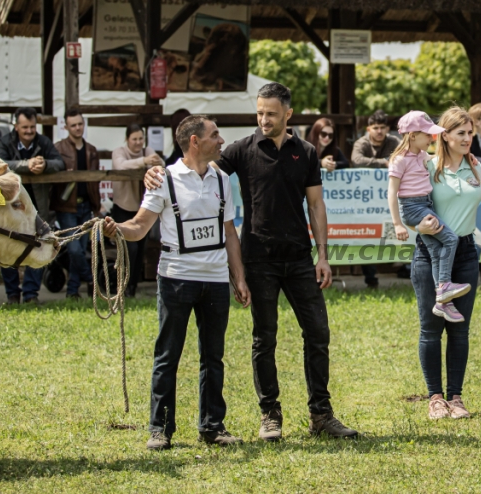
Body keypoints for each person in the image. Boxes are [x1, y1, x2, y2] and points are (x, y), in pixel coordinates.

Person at [144, 82, 359, 442]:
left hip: (300, 258)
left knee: (318, 333)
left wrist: (323, 255)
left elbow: (316, 205)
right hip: (258, 258)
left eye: (271, 114)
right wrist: (155, 171)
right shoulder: (241, 150)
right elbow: (193, 162)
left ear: (288, 114)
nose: (263, 119)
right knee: (265, 338)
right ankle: (269, 415)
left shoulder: (305, 152)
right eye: (259, 112)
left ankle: (321, 414)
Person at [103, 115, 250, 451]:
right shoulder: (165, 179)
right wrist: (116, 229)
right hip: (176, 277)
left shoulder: (223, 179)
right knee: (168, 355)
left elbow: (229, 232)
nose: (221, 140)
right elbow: (140, 227)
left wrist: (238, 277)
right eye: (215, 135)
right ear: (195, 141)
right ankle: (160, 429)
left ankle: (212, 426)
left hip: (214, 280)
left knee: (213, 356)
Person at [409, 107, 481, 419]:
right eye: (461, 133)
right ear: (445, 135)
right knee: (431, 328)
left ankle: (456, 398)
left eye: (470, 133)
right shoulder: (426, 167)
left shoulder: (476, 167)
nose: (468, 138)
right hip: (430, 253)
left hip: (466, 253)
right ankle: (435, 398)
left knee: (460, 328)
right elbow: (409, 205)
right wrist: (418, 225)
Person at [388, 111, 466, 320]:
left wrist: (466, 156)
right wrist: (397, 224)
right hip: (414, 208)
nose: (432, 138)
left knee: (435, 250)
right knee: (450, 239)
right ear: (412, 135)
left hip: (425, 204)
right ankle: (444, 287)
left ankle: (443, 302)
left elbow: (437, 158)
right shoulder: (399, 160)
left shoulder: (422, 155)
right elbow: (391, 193)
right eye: (427, 135)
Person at [0, 107, 64, 305]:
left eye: (32, 127)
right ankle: (12, 295)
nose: (29, 131)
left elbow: (59, 162)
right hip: (11, 206)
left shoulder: (43, 142)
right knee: (9, 249)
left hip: (36, 208)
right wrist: (26, 165)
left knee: (37, 246)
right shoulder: (5, 142)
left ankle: (31, 294)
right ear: (16, 127)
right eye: (25, 127)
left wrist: (45, 165)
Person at [52, 108, 101, 299]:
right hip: (66, 206)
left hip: (86, 205)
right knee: (74, 249)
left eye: (80, 124)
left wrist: (97, 207)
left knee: (80, 250)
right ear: (66, 127)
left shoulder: (91, 150)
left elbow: (95, 183)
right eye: (73, 125)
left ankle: (73, 291)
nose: (78, 128)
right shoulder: (59, 149)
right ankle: (90, 279)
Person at [112, 124, 165, 297]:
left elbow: (162, 165)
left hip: (141, 208)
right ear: (127, 139)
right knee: (130, 249)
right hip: (123, 206)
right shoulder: (119, 151)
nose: (137, 143)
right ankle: (123, 284)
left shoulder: (147, 150)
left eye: (140, 139)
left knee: (141, 249)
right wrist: (144, 161)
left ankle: (132, 287)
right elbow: (120, 165)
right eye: (134, 139)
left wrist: (156, 162)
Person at [351, 109, 402, 286]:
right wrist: (384, 163)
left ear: (387, 129)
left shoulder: (394, 141)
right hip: (366, 199)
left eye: (382, 127)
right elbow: (356, 160)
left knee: (396, 232)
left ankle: (405, 268)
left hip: (391, 198)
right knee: (368, 236)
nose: (379, 131)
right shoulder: (361, 142)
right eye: (375, 127)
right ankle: (370, 279)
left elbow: (402, 157)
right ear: (368, 129)